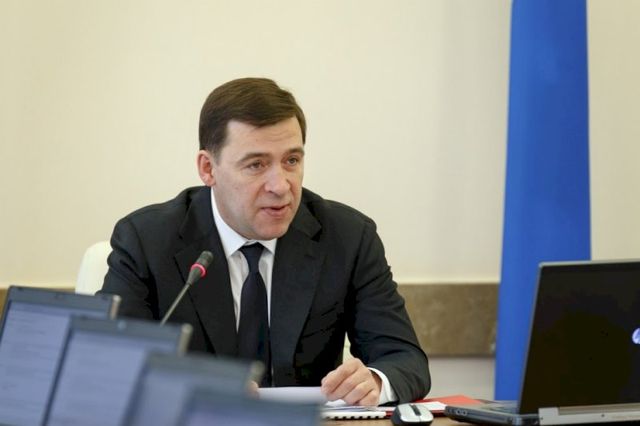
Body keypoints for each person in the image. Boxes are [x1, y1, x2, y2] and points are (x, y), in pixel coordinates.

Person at [100, 77, 430, 405]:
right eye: (256, 165)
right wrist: (195, 387)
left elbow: (405, 360)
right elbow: (109, 365)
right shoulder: (146, 242)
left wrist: (374, 381)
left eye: (291, 161)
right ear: (208, 168)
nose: (281, 186)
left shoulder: (347, 237)